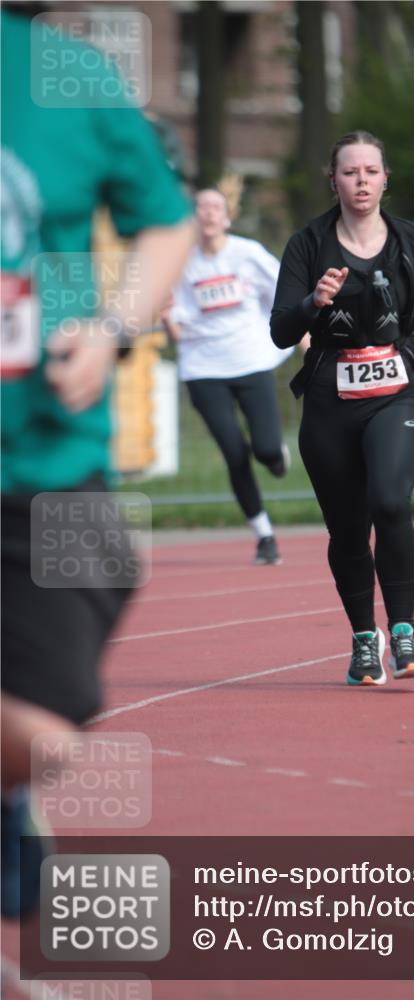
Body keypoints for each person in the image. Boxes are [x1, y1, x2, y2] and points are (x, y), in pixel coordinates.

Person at [1, 4, 193, 914]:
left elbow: (165, 223)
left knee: (49, 731)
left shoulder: (64, 76)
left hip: (41, 454)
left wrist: (112, 329)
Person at [270, 130, 414, 686]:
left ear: (385, 178)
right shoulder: (307, 244)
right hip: (330, 399)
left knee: (391, 502)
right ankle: (362, 641)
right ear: (334, 180)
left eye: (370, 172)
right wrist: (314, 301)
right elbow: (281, 330)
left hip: (396, 392)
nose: (361, 182)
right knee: (348, 530)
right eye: (349, 173)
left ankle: (403, 632)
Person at [162, 187, 298, 566]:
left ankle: (274, 456)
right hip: (203, 368)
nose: (207, 213)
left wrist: (301, 333)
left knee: (266, 449)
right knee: (234, 452)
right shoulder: (179, 262)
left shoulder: (247, 254)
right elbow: (174, 324)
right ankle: (264, 536)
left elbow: (286, 291)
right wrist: (167, 316)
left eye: (214, 207)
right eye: (200, 206)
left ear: (227, 217)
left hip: (250, 360)